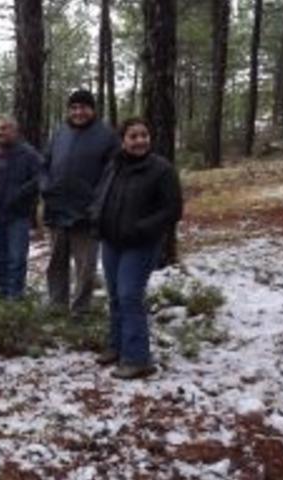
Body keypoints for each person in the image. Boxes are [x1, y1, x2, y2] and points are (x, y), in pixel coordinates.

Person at [91, 118, 183, 379]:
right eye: (133, 136)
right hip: (111, 241)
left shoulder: (161, 169)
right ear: (123, 140)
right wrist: (95, 217)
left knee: (130, 295)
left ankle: (138, 358)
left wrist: (141, 228)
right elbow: (101, 195)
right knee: (115, 296)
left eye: (144, 135)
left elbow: (172, 210)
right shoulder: (115, 166)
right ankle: (117, 346)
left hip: (141, 244)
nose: (140, 140)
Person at [42, 90, 120, 317]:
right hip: (57, 209)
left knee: (85, 266)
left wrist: (96, 204)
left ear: (93, 109)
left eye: (83, 107)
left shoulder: (106, 136)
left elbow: (111, 175)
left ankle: (81, 310)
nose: (78, 112)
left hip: (87, 213)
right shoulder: (59, 133)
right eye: (74, 107)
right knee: (56, 262)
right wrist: (46, 187)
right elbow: (44, 165)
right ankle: (57, 304)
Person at [0, 118, 42, 300]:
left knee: (17, 256)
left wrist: (21, 194)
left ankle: (15, 294)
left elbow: (41, 176)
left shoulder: (28, 154)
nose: (0, 132)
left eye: (5, 129)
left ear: (15, 131)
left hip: (18, 214)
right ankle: (2, 288)